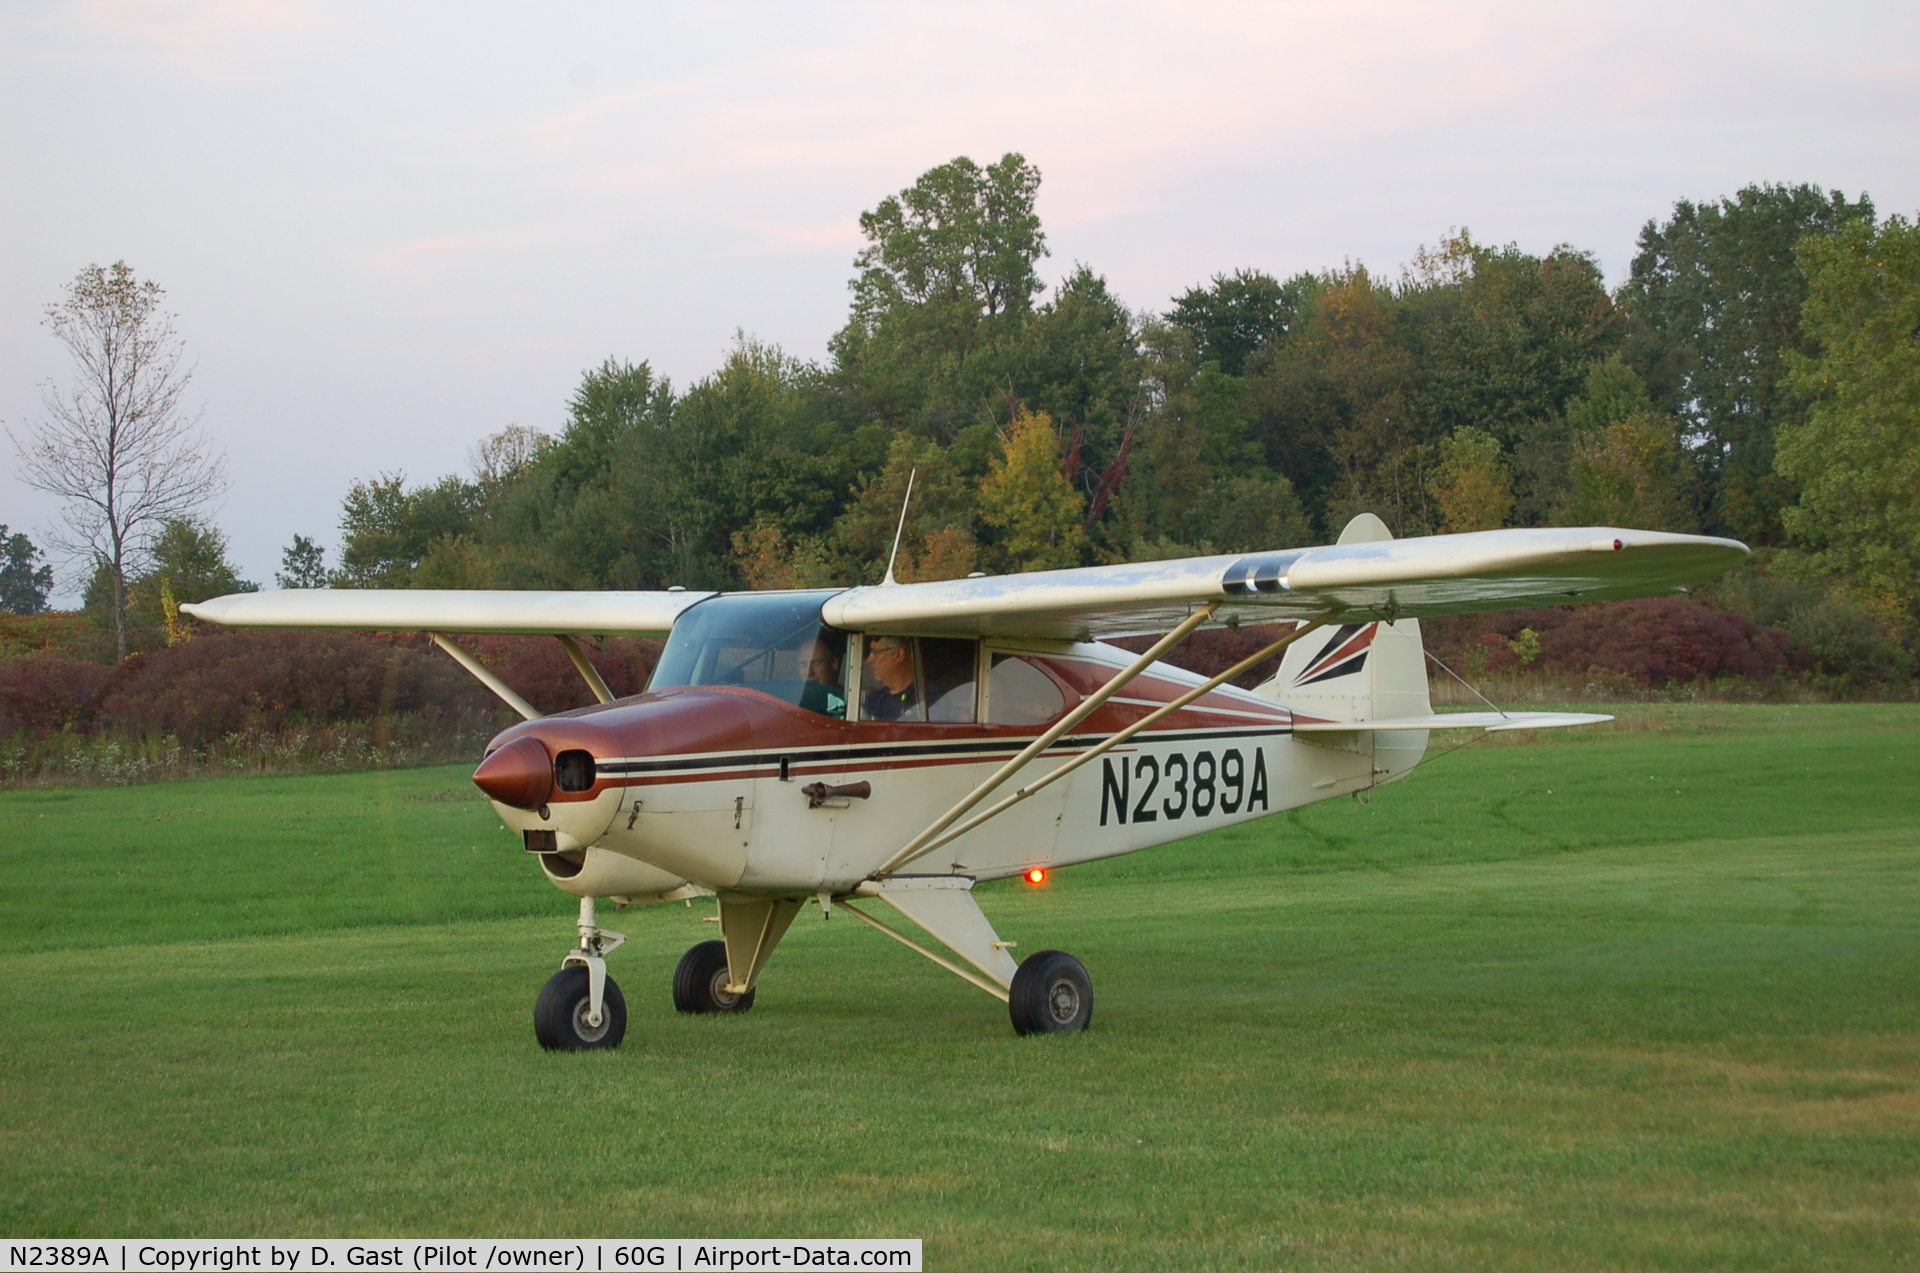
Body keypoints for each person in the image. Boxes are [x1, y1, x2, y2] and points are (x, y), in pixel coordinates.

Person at [862, 636, 920, 722]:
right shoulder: (874, 701)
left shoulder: (924, 701)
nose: (869, 659)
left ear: (898, 655)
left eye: (876, 652)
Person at [797, 636, 846, 718]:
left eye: (816, 663)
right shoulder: (791, 702)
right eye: (803, 665)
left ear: (834, 663)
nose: (809, 672)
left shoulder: (851, 699)